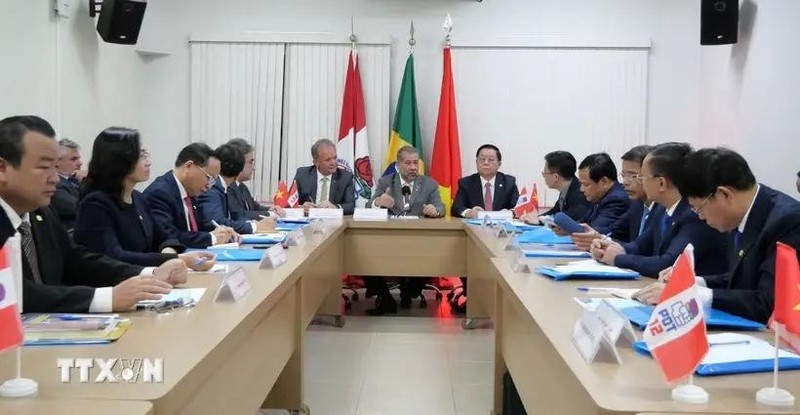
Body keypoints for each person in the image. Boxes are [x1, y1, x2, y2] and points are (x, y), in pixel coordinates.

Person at [0, 115, 186, 313]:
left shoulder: (41, 213)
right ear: (2, 168)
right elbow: (16, 292)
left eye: (56, 167)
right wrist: (105, 298)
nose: (55, 178)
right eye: (45, 167)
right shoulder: (95, 202)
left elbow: (76, 260)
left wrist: (149, 273)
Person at [635, 147, 800, 323]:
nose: (700, 216)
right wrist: (691, 282)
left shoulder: (788, 222)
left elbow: (767, 303)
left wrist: (690, 295)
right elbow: (739, 278)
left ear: (724, 194)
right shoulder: (743, 213)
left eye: (699, 208)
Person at [73, 127, 216, 269]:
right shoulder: (96, 204)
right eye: (141, 156)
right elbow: (115, 256)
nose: (148, 162)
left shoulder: (138, 198)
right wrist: (176, 259)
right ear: (120, 160)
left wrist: (168, 253)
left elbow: (165, 237)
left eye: (146, 155)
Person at [589, 143, 729, 277]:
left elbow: (668, 263)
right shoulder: (661, 208)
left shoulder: (693, 213)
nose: (641, 182)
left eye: (642, 177)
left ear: (661, 182)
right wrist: (608, 248)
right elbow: (640, 246)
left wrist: (618, 259)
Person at [364, 145, 445, 315]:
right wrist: (379, 202)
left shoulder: (429, 184)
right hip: (389, 240)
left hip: (420, 241)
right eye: (408, 163)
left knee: (436, 256)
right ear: (398, 164)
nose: (413, 167)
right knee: (363, 255)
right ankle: (386, 299)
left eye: (416, 163)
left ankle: (410, 292)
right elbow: (368, 204)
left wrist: (434, 210)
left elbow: (440, 207)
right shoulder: (387, 182)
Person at [451, 144, 519, 311]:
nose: (486, 163)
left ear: (499, 163)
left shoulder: (509, 182)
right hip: (475, 234)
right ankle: (472, 297)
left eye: (491, 159)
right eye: (482, 159)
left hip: (502, 235)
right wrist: (469, 212)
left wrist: (509, 212)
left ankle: (500, 300)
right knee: (466, 261)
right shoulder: (467, 183)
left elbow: (517, 207)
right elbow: (456, 208)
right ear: (476, 162)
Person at [144, 143, 238, 248]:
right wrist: (212, 237)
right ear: (189, 166)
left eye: (213, 181)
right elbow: (169, 236)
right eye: (209, 178)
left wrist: (222, 231)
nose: (209, 186)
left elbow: (201, 226)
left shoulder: (190, 192)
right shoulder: (160, 193)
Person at [571, 145, 654, 250]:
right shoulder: (637, 204)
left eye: (633, 176)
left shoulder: (618, 198)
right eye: (624, 175)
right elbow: (612, 230)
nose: (625, 182)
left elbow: (646, 251)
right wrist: (597, 237)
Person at [198, 143, 275, 234]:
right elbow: (218, 222)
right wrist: (254, 226)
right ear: (240, 169)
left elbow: (234, 217)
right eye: (250, 162)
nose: (253, 168)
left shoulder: (224, 187)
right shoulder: (212, 189)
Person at [554, 152, 628, 235]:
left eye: (586, 184)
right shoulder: (598, 196)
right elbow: (583, 222)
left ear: (604, 182)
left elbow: (594, 231)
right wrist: (568, 229)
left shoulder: (616, 199)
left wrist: (574, 230)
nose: (581, 189)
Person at [291, 139, 355, 215]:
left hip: (333, 221)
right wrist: (301, 208)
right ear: (316, 163)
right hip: (309, 222)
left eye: (334, 158)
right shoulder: (302, 174)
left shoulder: (345, 177)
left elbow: (351, 206)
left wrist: (335, 207)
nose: (333, 163)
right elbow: (290, 202)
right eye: (328, 160)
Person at [226, 138, 282, 219]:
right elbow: (238, 215)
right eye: (250, 162)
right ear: (237, 162)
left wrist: (271, 209)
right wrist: (270, 214)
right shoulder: (228, 187)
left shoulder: (242, 187)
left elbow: (254, 207)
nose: (253, 168)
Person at [537, 151, 590, 220]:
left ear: (556, 177)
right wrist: (538, 218)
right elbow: (555, 211)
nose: (544, 177)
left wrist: (540, 221)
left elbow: (568, 217)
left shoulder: (579, 193)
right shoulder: (567, 188)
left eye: (544, 174)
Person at [50, 138, 85, 229]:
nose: (80, 163)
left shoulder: (76, 180)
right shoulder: (54, 184)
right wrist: (87, 182)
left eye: (79, 158)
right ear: (57, 162)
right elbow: (79, 209)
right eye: (73, 159)